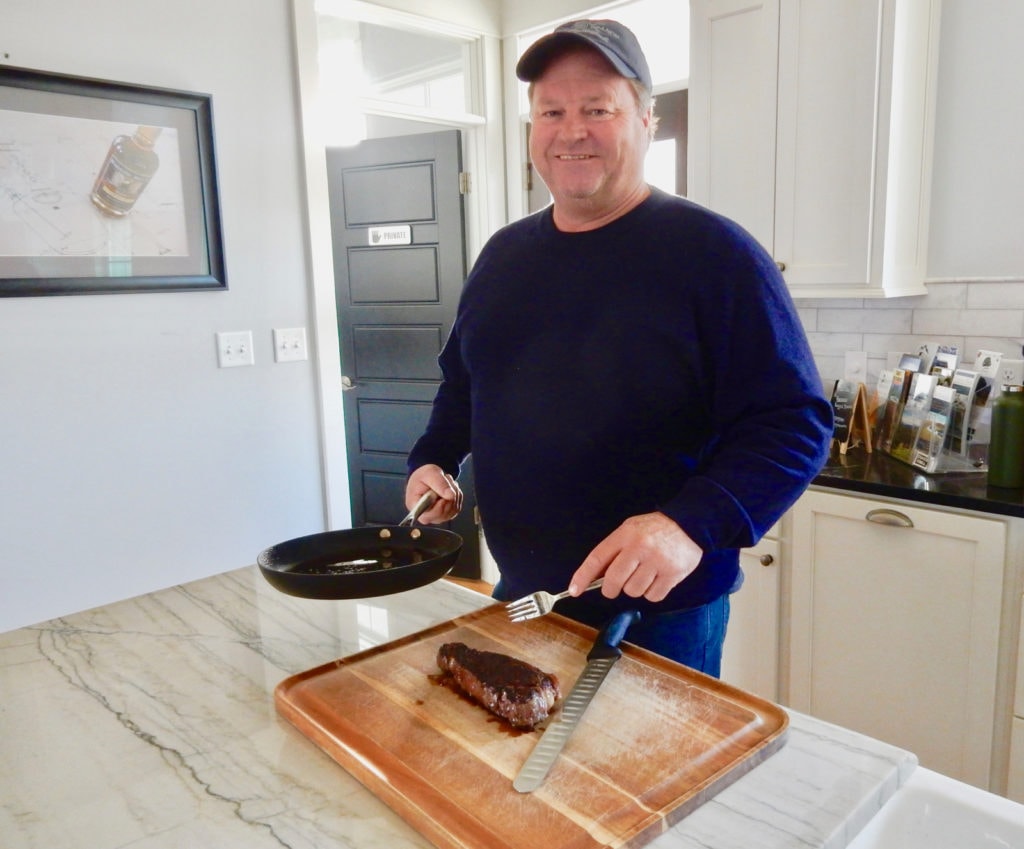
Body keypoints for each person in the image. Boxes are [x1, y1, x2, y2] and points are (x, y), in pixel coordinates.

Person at [404, 19, 833, 675]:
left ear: (646, 122)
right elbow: (464, 384)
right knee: (513, 765)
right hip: (524, 594)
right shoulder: (502, 256)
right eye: (552, 111)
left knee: (650, 780)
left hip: (655, 615)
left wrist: (687, 524)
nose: (571, 130)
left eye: (597, 109)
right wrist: (433, 457)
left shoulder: (716, 255)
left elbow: (793, 422)